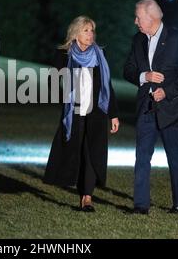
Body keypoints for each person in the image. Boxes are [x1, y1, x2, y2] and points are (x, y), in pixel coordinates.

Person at [123, 0, 178, 215]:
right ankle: (140, 205)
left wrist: (167, 91)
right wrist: (143, 76)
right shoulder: (137, 40)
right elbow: (127, 70)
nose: (135, 21)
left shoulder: (177, 39)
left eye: (138, 17)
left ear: (152, 18)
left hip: (171, 107)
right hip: (146, 107)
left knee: (174, 155)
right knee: (142, 155)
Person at [43, 16, 120, 212]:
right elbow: (52, 81)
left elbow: (106, 86)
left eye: (92, 30)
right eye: (86, 30)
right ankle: (71, 183)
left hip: (97, 114)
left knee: (92, 152)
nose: (90, 34)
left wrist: (113, 114)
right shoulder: (64, 54)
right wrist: (63, 97)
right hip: (74, 113)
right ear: (76, 33)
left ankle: (87, 197)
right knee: (74, 151)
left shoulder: (99, 55)